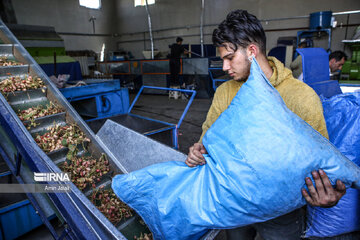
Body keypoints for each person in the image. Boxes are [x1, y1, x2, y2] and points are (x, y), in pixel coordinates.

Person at [185, 10, 346, 240]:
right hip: (235, 206)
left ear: (252, 51)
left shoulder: (300, 97)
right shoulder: (224, 93)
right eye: (222, 59)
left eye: (229, 58)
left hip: (283, 214)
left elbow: (321, 161)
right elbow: (207, 139)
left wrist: (326, 192)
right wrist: (197, 150)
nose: (224, 67)